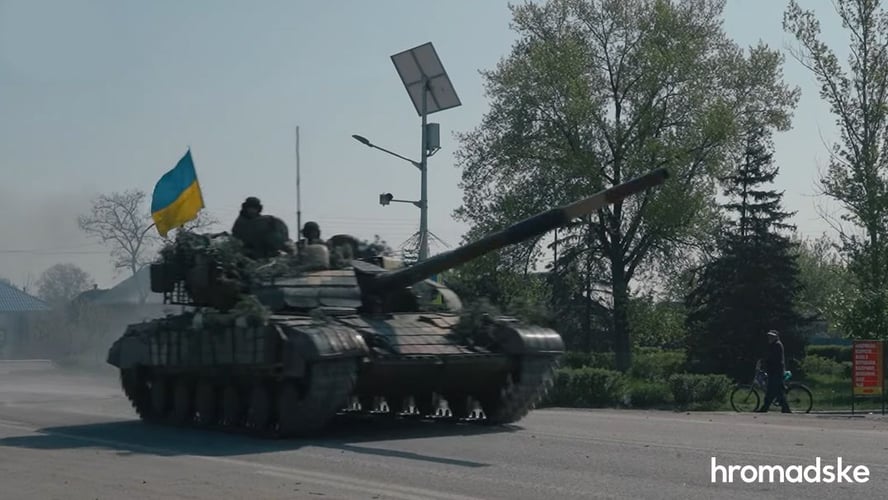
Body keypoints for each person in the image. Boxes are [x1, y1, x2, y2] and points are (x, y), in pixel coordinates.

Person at [756, 329, 791, 413]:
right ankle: (785, 408)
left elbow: (773, 358)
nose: (770, 337)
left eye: (772, 336)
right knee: (778, 391)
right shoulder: (773, 345)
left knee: (771, 390)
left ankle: (765, 408)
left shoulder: (777, 345)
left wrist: (765, 362)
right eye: (769, 336)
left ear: (776, 337)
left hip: (776, 371)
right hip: (774, 371)